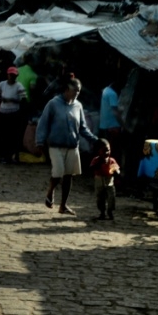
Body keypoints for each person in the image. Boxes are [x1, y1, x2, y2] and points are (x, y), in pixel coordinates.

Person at [35, 77, 99, 216]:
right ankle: (50, 191)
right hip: (55, 145)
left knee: (69, 175)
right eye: (74, 90)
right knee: (58, 173)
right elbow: (43, 123)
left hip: (72, 145)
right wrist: (39, 142)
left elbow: (83, 127)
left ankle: (63, 205)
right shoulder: (53, 104)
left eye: (79, 91)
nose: (77, 93)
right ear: (66, 90)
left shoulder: (78, 106)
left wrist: (94, 139)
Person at [0, 66, 28, 163]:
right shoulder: (2, 85)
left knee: (12, 135)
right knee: (4, 134)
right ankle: (5, 155)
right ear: (8, 75)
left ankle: (11, 155)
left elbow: (23, 99)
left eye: (14, 75)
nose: (12, 77)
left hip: (14, 113)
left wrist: (11, 100)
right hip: (3, 112)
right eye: (11, 75)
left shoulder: (19, 86)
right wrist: (2, 100)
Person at [99, 77, 125, 177]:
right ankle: (112, 173)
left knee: (106, 150)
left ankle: (105, 172)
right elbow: (115, 112)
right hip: (113, 126)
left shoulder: (106, 90)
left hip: (105, 125)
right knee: (114, 152)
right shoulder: (112, 94)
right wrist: (123, 124)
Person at [90, 141, 120, 221]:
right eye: (104, 150)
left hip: (109, 181)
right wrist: (99, 164)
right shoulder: (96, 160)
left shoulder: (111, 160)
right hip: (99, 181)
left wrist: (116, 171)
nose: (107, 152)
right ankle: (102, 212)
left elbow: (117, 170)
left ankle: (110, 210)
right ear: (98, 151)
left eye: (108, 150)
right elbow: (91, 168)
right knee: (100, 198)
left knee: (111, 197)